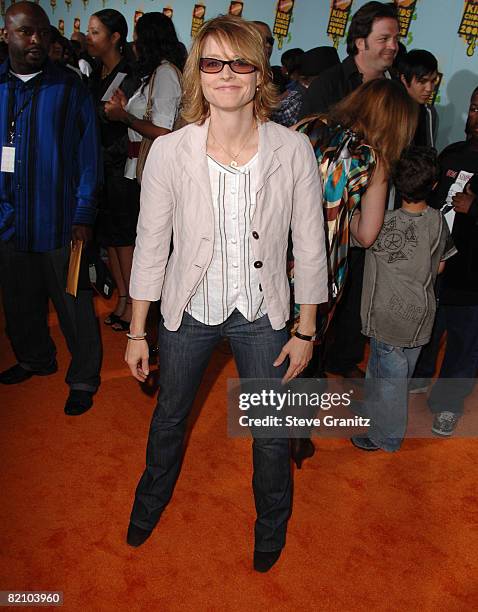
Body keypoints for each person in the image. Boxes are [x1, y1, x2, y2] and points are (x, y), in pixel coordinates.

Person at [124, 15, 328, 573]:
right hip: (188, 309)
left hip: (262, 313)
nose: (227, 74)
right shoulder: (170, 152)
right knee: (169, 417)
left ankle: (271, 525)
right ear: (198, 72)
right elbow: (150, 248)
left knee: (270, 433)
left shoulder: (293, 149)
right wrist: (138, 331)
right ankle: (149, 503)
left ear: (259, 73)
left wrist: (306, 329)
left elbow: (312, 247)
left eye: (241, 63)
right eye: (213, 62)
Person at [290, 78, 419, 467]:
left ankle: (266, 427)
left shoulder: (306, 127)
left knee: (267, 343)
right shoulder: (372, 160)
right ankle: (294, 439)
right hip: (321, 270)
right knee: (307, 352)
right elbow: (366, 235)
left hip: (272, 256)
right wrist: (346, 209)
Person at [0, 1, 102, 415]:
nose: (36, 40)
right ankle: (34, 359)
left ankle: (83, 377)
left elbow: (88, 157)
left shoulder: (70, 87)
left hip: (60, 222)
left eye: (42, 31)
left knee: (74, 306)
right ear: (7, 34)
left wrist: (83, 214)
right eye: (26, 31)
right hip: (7, 222)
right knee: (18, 301)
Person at [300, 1, 400, 381]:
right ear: (359, 41)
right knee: (314, 297)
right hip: (323, 221)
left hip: (370, 213)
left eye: (396, 38)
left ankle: (340, 359)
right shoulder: (329, 84)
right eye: (384, 38)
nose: (392, 46)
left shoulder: (395, 87)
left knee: (354, 291)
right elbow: (306, 153)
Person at [350, 147, 456, 452]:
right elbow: (441, 266)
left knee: (389, 381)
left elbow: (359, 234)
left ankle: (386, 436)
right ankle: (375, 411)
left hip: (387, 317)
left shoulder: (380, 222)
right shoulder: (438, 222)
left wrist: (355, 212)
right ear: (434, 186)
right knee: (390, 372)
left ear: (395, 182)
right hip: (420, 316)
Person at [104, 11, 183, 329]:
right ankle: (141, 312)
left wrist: (125, 117)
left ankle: (149, 317)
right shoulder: (154, 74)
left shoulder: (165, 73)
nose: (134, 43)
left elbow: (163, 132)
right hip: (138, 169)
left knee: (150, 246)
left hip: (153, 171)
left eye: (138, 35)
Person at [409, 86, 478, 437]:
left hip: (472, 275)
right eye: (475, 106)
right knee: (429, 326)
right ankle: (418, 379)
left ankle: (449, 403)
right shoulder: (452, 153)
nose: (475, 116)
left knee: (465, 343)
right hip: (437, 262)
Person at [86, 9, 139, 330]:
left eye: (95, 32)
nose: (89, 38)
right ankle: (121, 298)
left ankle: (134, 303)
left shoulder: (128, 74)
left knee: (125, 238)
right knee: (110, 238)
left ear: (115, 37)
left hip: (122, 166)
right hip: (98, 166)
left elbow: (120, 120)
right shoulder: (94, 73)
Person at [398, 49, 439, 147]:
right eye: (422, 81)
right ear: (404, 79)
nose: (429, 89)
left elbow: (428, 151)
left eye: (433, 81)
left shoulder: (428, 112)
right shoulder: (388, 107)